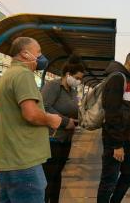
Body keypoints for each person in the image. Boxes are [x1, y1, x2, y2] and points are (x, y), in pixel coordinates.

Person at [0, 37, 64, 203]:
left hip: (10, 160)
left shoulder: (8, 75)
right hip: (23, 161)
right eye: (38, 52)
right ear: (25, 54)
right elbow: (31, 114)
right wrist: (51, 120)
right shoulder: (23, 75)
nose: (41, 57)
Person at [97, 49, 130, 203]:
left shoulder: (126, 78)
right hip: (115, 139)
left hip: (125, 137)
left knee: (129, 174)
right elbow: (111, 114)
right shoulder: (117, 78)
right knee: (109, 181)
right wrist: (117, 145)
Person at [41, 55, 85, 203]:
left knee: (57, 174)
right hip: (52, 138)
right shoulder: (53, 86)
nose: (79, 81)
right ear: (68, 75)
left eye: (80, 79)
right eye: (77, 78)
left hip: (66, 138)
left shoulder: (72, 91)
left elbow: (73, 108)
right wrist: (66, 121)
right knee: (49, 175)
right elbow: (44, 107)